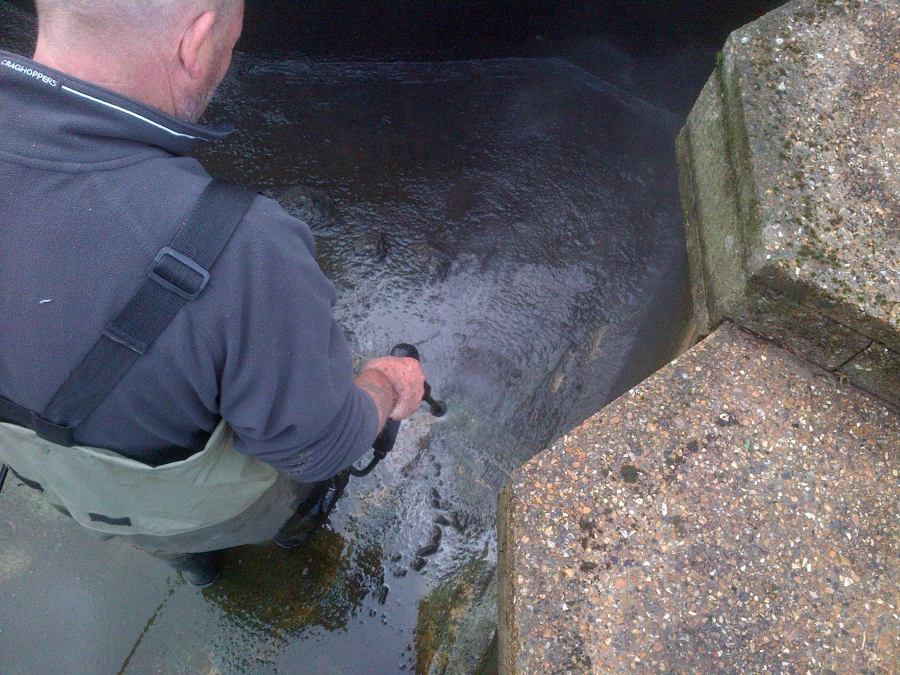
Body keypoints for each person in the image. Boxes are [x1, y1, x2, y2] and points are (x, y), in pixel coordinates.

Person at [0, 0, 426, 586]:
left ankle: (196, 569)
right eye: (230, 41)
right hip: (211, 503)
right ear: (197, 43)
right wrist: (384, 383)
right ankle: (289, 535)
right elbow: (319, 446)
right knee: (282, 504)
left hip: (65, 487)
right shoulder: (243, 249)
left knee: (151, 530)